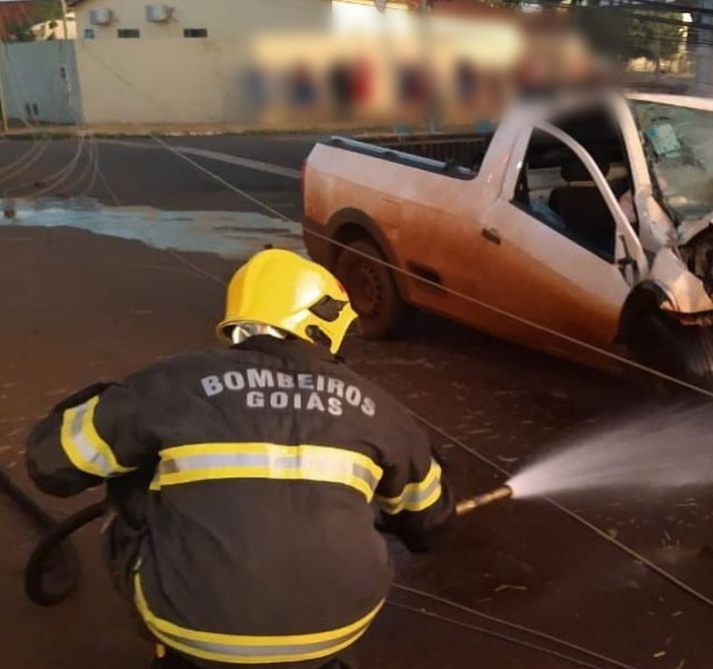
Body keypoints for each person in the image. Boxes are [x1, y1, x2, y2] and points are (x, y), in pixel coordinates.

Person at [25, 249, 455, 669]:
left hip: (190, 629)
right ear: (326, 324)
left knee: (131, 472)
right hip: (337, 631)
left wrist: (111, 403)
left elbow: (51, 464)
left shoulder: (172, 384)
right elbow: (432, 526)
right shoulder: (381, 410)